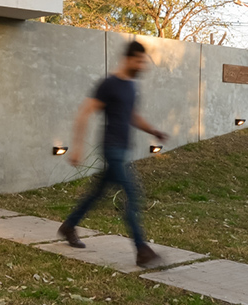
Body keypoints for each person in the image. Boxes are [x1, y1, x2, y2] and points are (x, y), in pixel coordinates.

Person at [58, 39, 167, 266]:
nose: (142, 66)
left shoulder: (130, 86)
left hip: (123, 150)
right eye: (139, 61)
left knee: (96, 193)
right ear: (128, 59)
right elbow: (85, 112)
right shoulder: (109, 84)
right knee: (131, 195)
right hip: (112, 149)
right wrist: (77, 147)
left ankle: (69, 226)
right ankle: (142, 249)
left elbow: (131, 115)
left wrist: (153, 130)